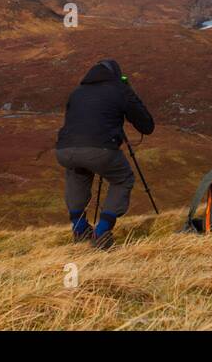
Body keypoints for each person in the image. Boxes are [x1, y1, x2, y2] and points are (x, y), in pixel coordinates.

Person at [55, 58, 155, 248]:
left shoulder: (77, 92)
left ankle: (80, 227)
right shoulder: (119, 90)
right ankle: (102, 232)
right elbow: (147, 125)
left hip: (65, 150)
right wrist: (129, 92)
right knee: (122, 179)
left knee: (77, 174)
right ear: (117, 76)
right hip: (100, 150)